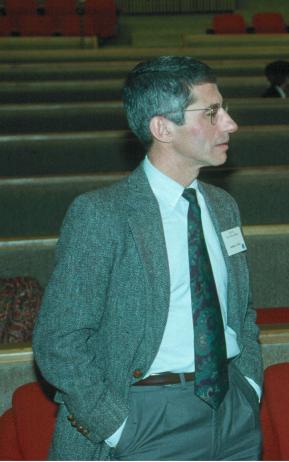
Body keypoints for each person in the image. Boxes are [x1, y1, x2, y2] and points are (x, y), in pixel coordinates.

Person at [32, 56, 263, 460]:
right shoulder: (103, 214)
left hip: (232, 412)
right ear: (162, 128)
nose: (229, 123)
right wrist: (117, 426)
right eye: (211, 112)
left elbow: (240, 311)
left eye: (224, 109)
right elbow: (59, 340)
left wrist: (250, 385)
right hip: (146, 416)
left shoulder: (223, 206)